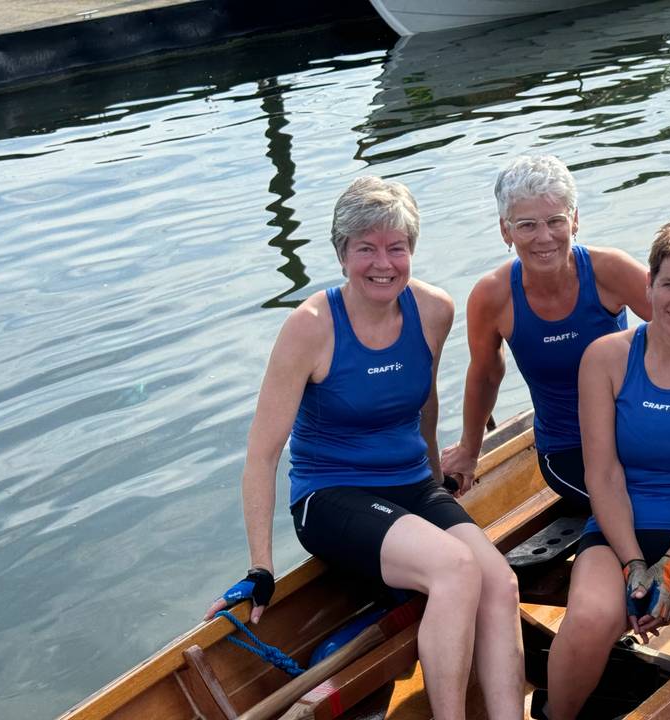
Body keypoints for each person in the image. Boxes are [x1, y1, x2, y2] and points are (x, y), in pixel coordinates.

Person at [203, 177, 523, 720]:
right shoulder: (309, 328)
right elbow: (261, 455)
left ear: (412, 251)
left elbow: (425, 405)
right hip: (331, 495)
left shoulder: (433, 311)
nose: (383, 263)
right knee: (454, 568)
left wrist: (437, 479)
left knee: (500, 581)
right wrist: (262, 566)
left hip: (411, 485)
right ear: (342, 253)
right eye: (365, 248)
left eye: (396, 248)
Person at [544, 218, 670, 720]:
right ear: (649, 285)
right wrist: (636, 563)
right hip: (621, 524)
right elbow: (603, 475)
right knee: (593, 614)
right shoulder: (605, 358)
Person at [441, 155, 652, 509]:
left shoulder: (610, 270)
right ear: (505, 230)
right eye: (526, 225)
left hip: (639, 430)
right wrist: (468, 450)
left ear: (575, 220)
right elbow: (485, 376)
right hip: (568, 450)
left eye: (555, 221)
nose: (544, 237)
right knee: (645, 506)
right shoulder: (491, 297)